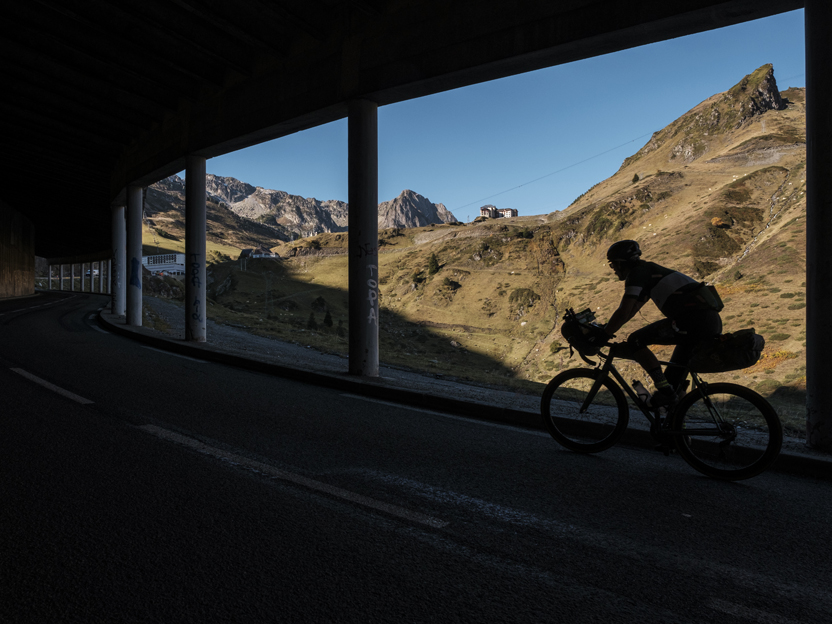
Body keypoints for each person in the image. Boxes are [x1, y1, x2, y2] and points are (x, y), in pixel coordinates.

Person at [601, 240, 722, 407]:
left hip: (693, 322)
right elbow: (630, 312)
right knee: (672, 387)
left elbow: (623, 313)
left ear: (622, 263)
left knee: (636, 340)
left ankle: (664, 388)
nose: (613, 269)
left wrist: (603, 335)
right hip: (706, 321)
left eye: (613, 265)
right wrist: (606, 330)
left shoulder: (638, 274)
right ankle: (677, 427)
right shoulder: (649, 272)